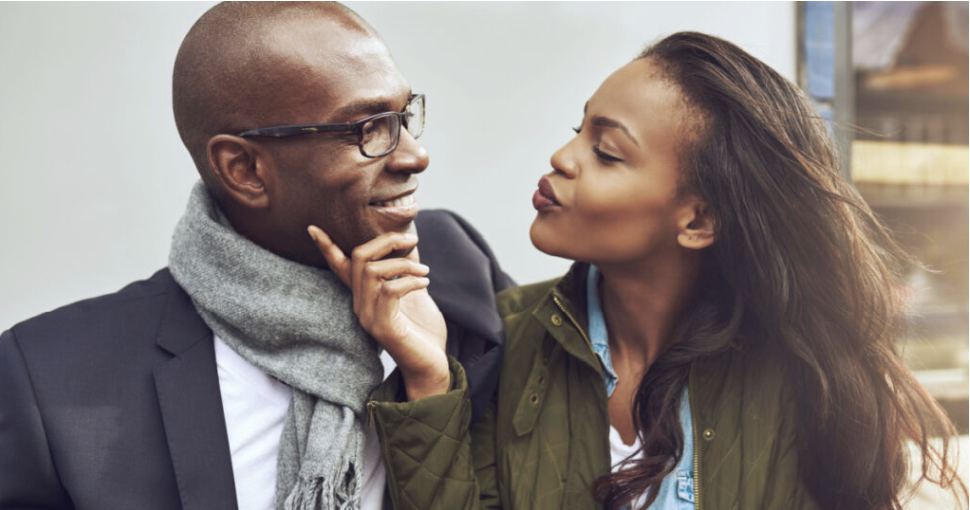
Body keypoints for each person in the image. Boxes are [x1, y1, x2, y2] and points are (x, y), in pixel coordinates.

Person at [322, 32, 967, 510]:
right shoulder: (504, 341)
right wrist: (428, 379)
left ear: (698, 221)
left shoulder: (800, 378)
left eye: (606, 151)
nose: (562, 157)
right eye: (578, 131)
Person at [0, 3, 513, 510]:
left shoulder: (455, 273)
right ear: (243, 169)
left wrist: (432, 386)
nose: (413, 154)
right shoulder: (52, 380)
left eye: (403, 115)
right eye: (366, 129)